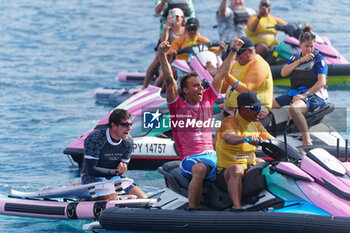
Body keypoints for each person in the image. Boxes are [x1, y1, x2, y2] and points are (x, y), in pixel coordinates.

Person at [158, 37, 244, 209]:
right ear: (186, 90)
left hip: (212, 157)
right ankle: (193, 210)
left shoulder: (208, 99)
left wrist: (233, 50)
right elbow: (169, 80)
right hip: (191, 159)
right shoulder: (177, 105)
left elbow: (221, 74)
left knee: (237, 167)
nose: (201, 88)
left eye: (201, 85)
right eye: (195, 86)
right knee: (200, 169)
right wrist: (162, 55)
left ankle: (238, 207)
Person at [215, 91, 274, 210]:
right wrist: (246, 139)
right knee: (237, 168)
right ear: (243, 109)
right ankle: (237, 207)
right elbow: (228, 137)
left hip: (247, 167)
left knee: (265, 164)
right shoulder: (230, 122)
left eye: (260, 107)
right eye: (256, 107)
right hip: (227, 172)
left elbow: (273, 140)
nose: (260, 111)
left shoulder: (256, 125)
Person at [272, 25, 328, 146]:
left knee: (294, 108)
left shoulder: (319, 59)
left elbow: (322, 82)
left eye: (312, 46)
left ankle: (306, 141)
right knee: (270, 104)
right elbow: (283, 72)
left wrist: (305, 95)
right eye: (306, 46)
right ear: (300, 44)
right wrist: (300, 61)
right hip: (296, 92)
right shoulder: (295, 58)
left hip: (314, 94)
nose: (309, 49)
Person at [80, 109, 148, 199]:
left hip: (113, 178)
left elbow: (121, 172)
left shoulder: (128, 142)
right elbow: (90, 170)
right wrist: (115, 171)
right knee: (113, 197)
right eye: (124, 125)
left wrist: (118, 173)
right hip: (91, 177)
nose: (129, 128)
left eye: (130, 124)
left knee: (143, 197)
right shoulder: (95, 138)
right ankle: (89, 199)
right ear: (113, 125)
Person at [209, 37, 273, 116]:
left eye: (238, 52)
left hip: (254, 110)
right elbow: (223, 89)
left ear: (250, 51)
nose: (236, 56)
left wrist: (226, 75)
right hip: (233, 109)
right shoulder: (236, 64)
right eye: (234, 52)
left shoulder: (259, 64)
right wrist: (217, 76)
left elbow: (246, 90)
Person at [143, 8, 186, 90]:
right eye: (174, 17)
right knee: (158, 66)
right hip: (168, 54)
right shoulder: (169, 29)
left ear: (182, 18)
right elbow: (163, 41)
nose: (176, 19)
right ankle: (146, 87)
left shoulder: (187, 29)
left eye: (178, 17)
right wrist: (167, 26)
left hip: (181, 56)